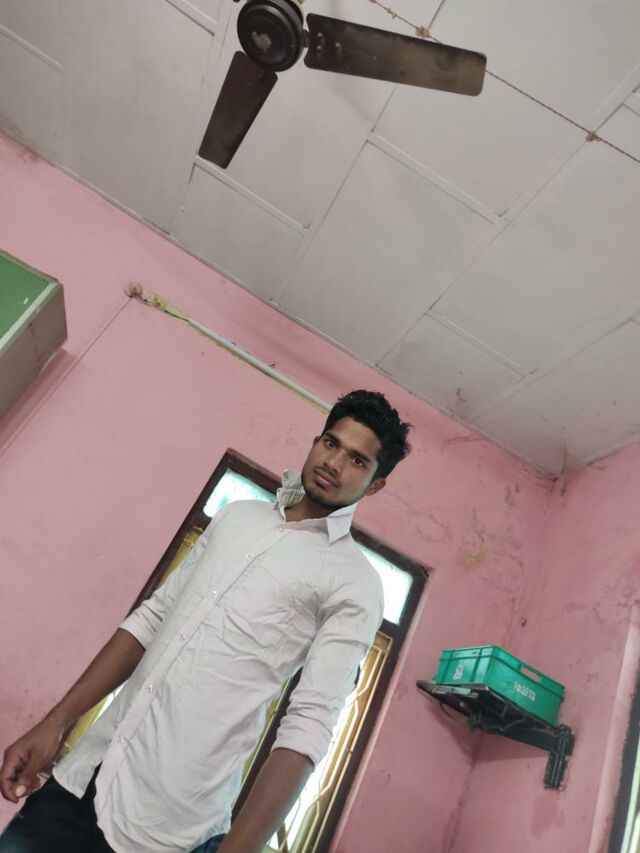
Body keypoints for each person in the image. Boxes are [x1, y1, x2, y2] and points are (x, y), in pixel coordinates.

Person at [0, 390, 411, 853]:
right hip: (81, 779)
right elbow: (152, 620)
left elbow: (309, 724)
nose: (334, 463)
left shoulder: (355, 583)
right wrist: (55, 723)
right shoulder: (238, 517)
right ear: (316, 441)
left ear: (375, 485)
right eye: (332, 444)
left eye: (357, 460)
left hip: (166, 827)